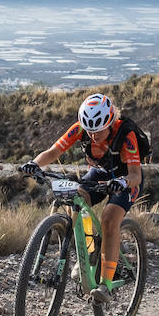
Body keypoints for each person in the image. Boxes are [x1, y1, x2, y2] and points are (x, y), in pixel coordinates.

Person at [19, 93, 142, 303]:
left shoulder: (125, 134)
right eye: (90, 131)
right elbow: (52, 151)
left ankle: (106, 284)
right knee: (73, 200)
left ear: (110, 122)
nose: (93, 136)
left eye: (98, 131)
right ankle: (90, 252)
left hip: (125, 179)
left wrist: (122, 183)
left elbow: (136, 175)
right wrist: (35, 164)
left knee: (109, 219)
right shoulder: (80, 129)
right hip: (100, 174)